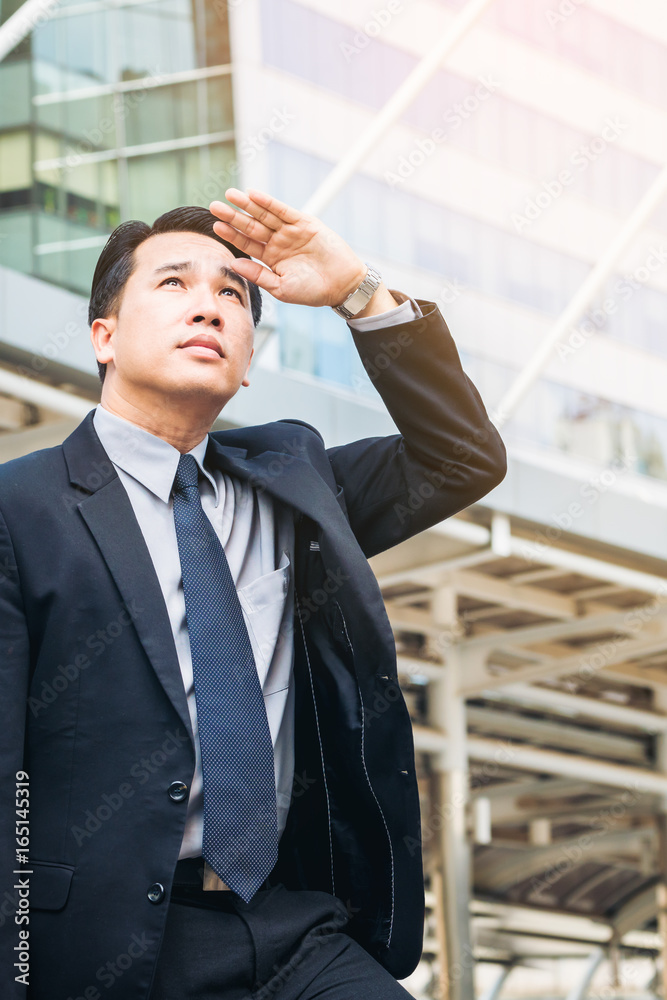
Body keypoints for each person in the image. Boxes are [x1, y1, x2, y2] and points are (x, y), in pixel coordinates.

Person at [0, 188, 506, 999]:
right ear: (103, 335)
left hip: (291, 927)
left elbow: (461, 458)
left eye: (231, 296)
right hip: (105, 943)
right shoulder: (19, 509)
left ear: (244, 362)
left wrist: (356, 292)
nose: (208, 307)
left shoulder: (296, 486)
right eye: (172, 285)